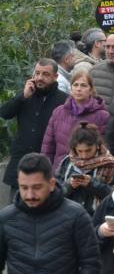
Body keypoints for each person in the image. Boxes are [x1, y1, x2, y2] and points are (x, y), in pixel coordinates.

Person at [0, 152, 100, 274]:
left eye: (36, 187)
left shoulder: (76, 216)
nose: (29, 195)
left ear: (52, 183)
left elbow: (91, 263)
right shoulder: (6, 218)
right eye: (24, 187)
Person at [0, 59, 67, 195]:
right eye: (37, 73)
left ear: (55, 77)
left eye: (45, 74)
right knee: (15, 210)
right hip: (21, 162)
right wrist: (22, 97)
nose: (39, 78)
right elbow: (4, 113)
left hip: (47, 164)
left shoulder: (64, 100)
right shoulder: (25, 95)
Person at [40, 69, 110, 171]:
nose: (79, 89)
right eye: (76, 85)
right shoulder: (58, 112)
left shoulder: (102, 116)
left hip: (88, 173)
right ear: (71, 88)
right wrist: (45, 170)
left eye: (83, 85)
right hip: (60, 172)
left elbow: (104, 149)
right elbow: (48, 146)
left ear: (91, 90)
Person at [56, 123, 114, 216]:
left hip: (97, 217)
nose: (84, 156)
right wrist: (69, 185)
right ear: (74, 148)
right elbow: (55, 193)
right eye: (80, 151)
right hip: (68, 215)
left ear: (97, 145)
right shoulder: (67, 161)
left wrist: (92, 184)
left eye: (88, 150)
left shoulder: (111, 164)